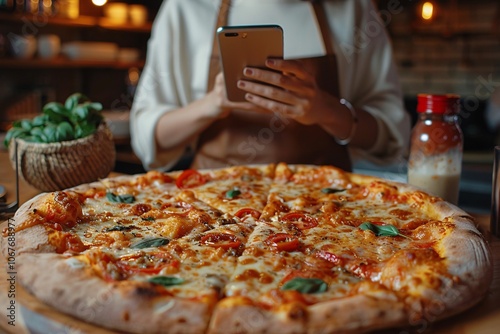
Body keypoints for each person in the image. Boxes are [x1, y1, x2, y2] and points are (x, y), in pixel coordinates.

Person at [130, 0, 411, 172]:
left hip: (328, 210)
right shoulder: (185, 8)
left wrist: (325, 110)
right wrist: (213, 104)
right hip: (210, 211)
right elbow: (149, 142)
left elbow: (391, 138)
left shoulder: (353, 7)